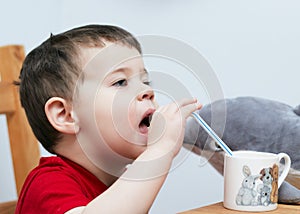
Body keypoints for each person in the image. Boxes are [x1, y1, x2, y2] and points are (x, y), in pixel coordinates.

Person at [15, 24, 201, 214]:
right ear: (66, 115)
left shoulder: (121, 187)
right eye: (120, 82)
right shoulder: (47, 183)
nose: (147, 91)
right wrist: (159, 150)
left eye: (145, 81)